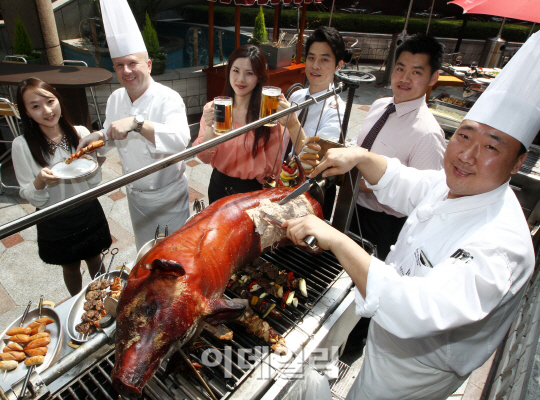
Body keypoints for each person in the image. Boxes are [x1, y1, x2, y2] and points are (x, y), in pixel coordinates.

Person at [283, 30, 540, 400]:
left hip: (418, 371)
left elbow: (417, 308)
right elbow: (409, 182)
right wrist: (360, 156)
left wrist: (336, 238)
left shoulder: (501, 244)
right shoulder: (454, 185)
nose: (466, 155)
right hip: (386, 342)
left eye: (490, 147)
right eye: (465, 136)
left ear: (518, 162)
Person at [78, 0, 190, 251]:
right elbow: (111, 132)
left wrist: (137, 123)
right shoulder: (116, 98)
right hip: (136, 196)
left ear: (148, 65)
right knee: (145, 253)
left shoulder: (168, 98)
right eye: (119, 65)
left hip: (168, 196)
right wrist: (95, 137)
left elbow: (180, 140)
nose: (126, 70)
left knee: (174, 254)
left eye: (132, 63)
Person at [12, 78, 112, 296]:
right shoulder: (22, 145)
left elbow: (93, 182)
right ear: (26, 112)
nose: (47, 110)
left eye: (50, 101)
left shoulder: (80, 134)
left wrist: (96, 163)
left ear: (58, 100)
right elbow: (29, 195)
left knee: (95, 258)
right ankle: (75, 304)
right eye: (35, 106)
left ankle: (103, 300)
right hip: (53, 216)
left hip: (86, 209)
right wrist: (39, 182)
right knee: (70, 266)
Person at [353, 33, 446, 260]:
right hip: (351, 208)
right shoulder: (379, 105)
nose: (404, 78)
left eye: (416, 72)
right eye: (400, 68)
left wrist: (370, 184)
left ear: (433, 78)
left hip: (383, 225)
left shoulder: (427, 133)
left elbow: (424, 199)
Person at [193, 45, 285, 203]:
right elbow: (204, 157)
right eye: (236, 70)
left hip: (252, 192)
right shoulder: (214, 109)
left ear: (258, 78)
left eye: (249, 73)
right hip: (219, 186)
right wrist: (210, 127)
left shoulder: (267, 114)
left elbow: (274, 163)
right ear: (228, 72)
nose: (241, 79)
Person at [276, 26, 347, 220]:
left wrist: (292, 124)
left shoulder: (337, 110)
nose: (315, 65)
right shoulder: (298, 96)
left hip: (312, 193)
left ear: (338, 65)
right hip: (285, 181)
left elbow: (317, 163)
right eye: (311, 57)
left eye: (325, 59)